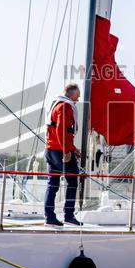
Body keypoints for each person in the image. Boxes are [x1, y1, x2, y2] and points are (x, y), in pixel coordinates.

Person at [44, 83, 83, 227]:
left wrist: (73, 148)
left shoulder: (56, 104)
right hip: (60, 151)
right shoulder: (66, 106)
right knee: (73, 181)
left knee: (52, 184)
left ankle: (49, 218)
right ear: (71, 94)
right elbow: (61, 130)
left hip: (50, 149)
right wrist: (67, 151)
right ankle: (69, 216)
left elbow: (61, 131)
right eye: (77, 96)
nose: (77, 100)